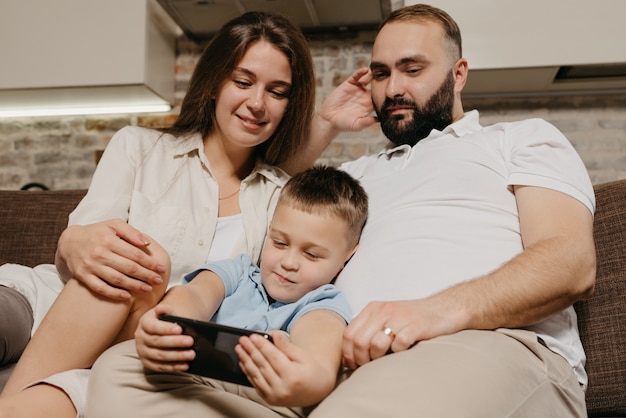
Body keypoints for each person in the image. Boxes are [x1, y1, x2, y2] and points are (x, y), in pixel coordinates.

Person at [87, 3, 596, 417]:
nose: (392, 88)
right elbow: (263, 185)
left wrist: (428, 313)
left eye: (412, 69)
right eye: (380, 72)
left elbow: (569, 263)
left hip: (481, 349)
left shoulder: (518, 140)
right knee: (126, 369)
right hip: (319, 370)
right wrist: (326, 123)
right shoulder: (354, 176)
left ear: (459, 74)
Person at [0, 10, 374, 418]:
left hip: (141, 342)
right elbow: (80, 245)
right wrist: (74, 241)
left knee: (146, 272)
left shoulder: (277, 198)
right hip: (48, 299)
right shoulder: (138, 147)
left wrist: (324, 123)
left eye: (278, 92)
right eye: (243, 82)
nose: (256, 103)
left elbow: (306, 214)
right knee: (128, 264)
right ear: (215, 82)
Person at [83, 165, 368, 417]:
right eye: (280, 243)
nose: (288, 262)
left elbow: (319, 352)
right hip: (199, 384)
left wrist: (307, 381)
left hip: (264, 396)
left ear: (347, 256)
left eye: (312, 255)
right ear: (269, 231)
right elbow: (196, 294)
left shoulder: (320, 302)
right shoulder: (240, 272)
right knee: (116, 364)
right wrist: (166, 324)